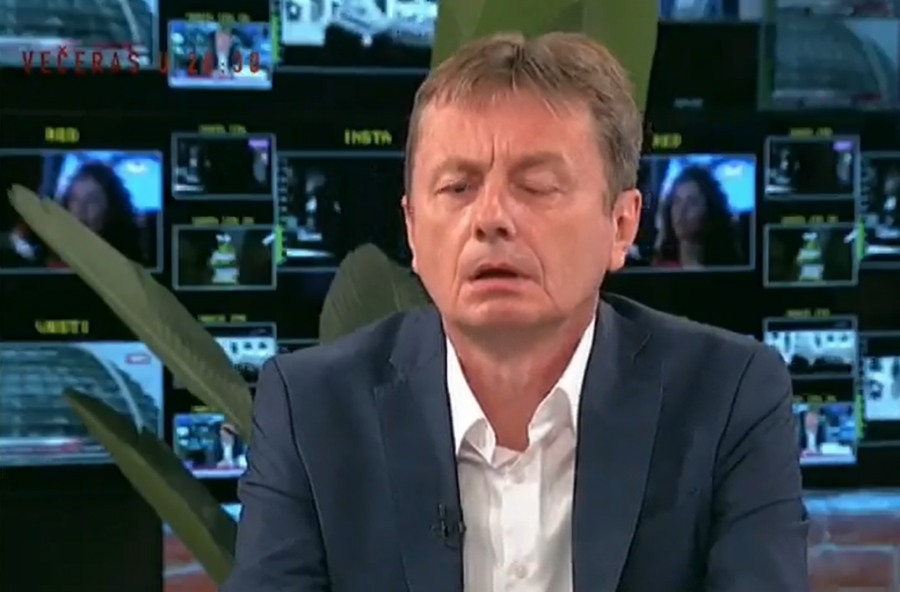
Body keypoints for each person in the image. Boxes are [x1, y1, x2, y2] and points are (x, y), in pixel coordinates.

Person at [224, 32, 807, 592]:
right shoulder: (311, 409)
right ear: (413, 230)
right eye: (458, 187)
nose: (490, 219)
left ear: (621, 225)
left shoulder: (728, 397)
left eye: (537, 186)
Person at [652, 165, 744, 268]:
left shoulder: (729, 270)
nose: (681, 211)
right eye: (677, 201)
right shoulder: (659, 269)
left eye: (692, 202)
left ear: (710, 210)